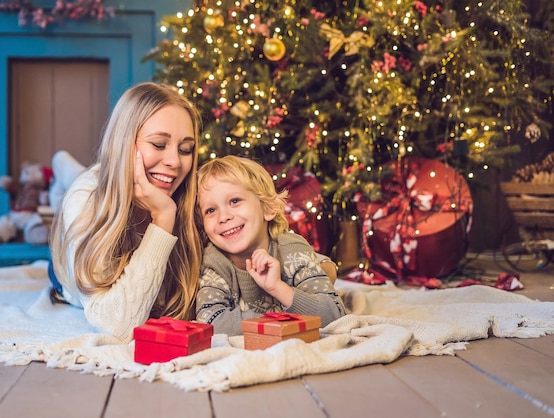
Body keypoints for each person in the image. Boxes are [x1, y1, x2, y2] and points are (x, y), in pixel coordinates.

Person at [48, 82, 203, 342]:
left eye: (185, 149)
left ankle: (68, 170)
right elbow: (118, 326)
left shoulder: (190, 195)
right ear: (123, 143)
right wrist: (163, 219)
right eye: (158, 144)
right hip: (66, 271)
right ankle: (62, 168)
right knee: (77, 186)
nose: (175, 162)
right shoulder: (86, 199)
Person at [195, 155, 346, 335]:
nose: (224, 217)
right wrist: (280, 317)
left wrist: (277, 288)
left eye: (234, 201)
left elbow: (334, 314)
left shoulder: (291, 250)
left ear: (268, 208)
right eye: (210, 210)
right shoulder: (214, 262)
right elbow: (210, 324)